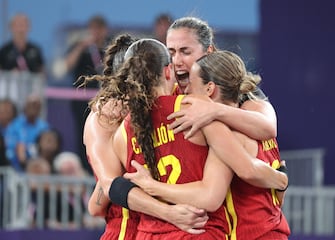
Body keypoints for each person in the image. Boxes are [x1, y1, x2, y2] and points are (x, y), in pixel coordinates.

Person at [93, 38, 287, 239]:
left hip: (147, 233)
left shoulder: (121, 133)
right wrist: (281, 180)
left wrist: (154, 193)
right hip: (201, 231)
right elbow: (227, 183)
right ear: (168, 71)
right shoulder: (196, 109)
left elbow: (103, 195)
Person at [84, 34, 207, 239]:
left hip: (157, 227)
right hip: (143, 226)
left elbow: (98, 203)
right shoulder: (105, 117)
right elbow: (106, 191)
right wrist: (169, 212)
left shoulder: (171, 101)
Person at [165, 17, 277, 140]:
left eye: (185, 52)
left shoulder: (236, 86)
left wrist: (213, 110)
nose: (176, 61)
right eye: (171, 53)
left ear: (208, 52)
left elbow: (268, 128)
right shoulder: (167, 92)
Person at [62, 15, 111, 174]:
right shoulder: (80, 47)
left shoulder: (110, 48)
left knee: (104, 133)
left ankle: (104, 167)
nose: (96, 32)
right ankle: (84, 168)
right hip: (82, 101)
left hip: (104, 101)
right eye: (93, 28)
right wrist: (81, 47)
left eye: (99, 28)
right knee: (83, 134)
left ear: (104, 30)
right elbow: (67, 66)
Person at [4, 94, 50, 171]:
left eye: (36, 105)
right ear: (25, 106)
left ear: (40, 108)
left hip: (38, 166)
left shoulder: (44, 127)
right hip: (15, 166)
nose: (33, 108)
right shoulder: (14, 125)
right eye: (31, 105)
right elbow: (9, 147)